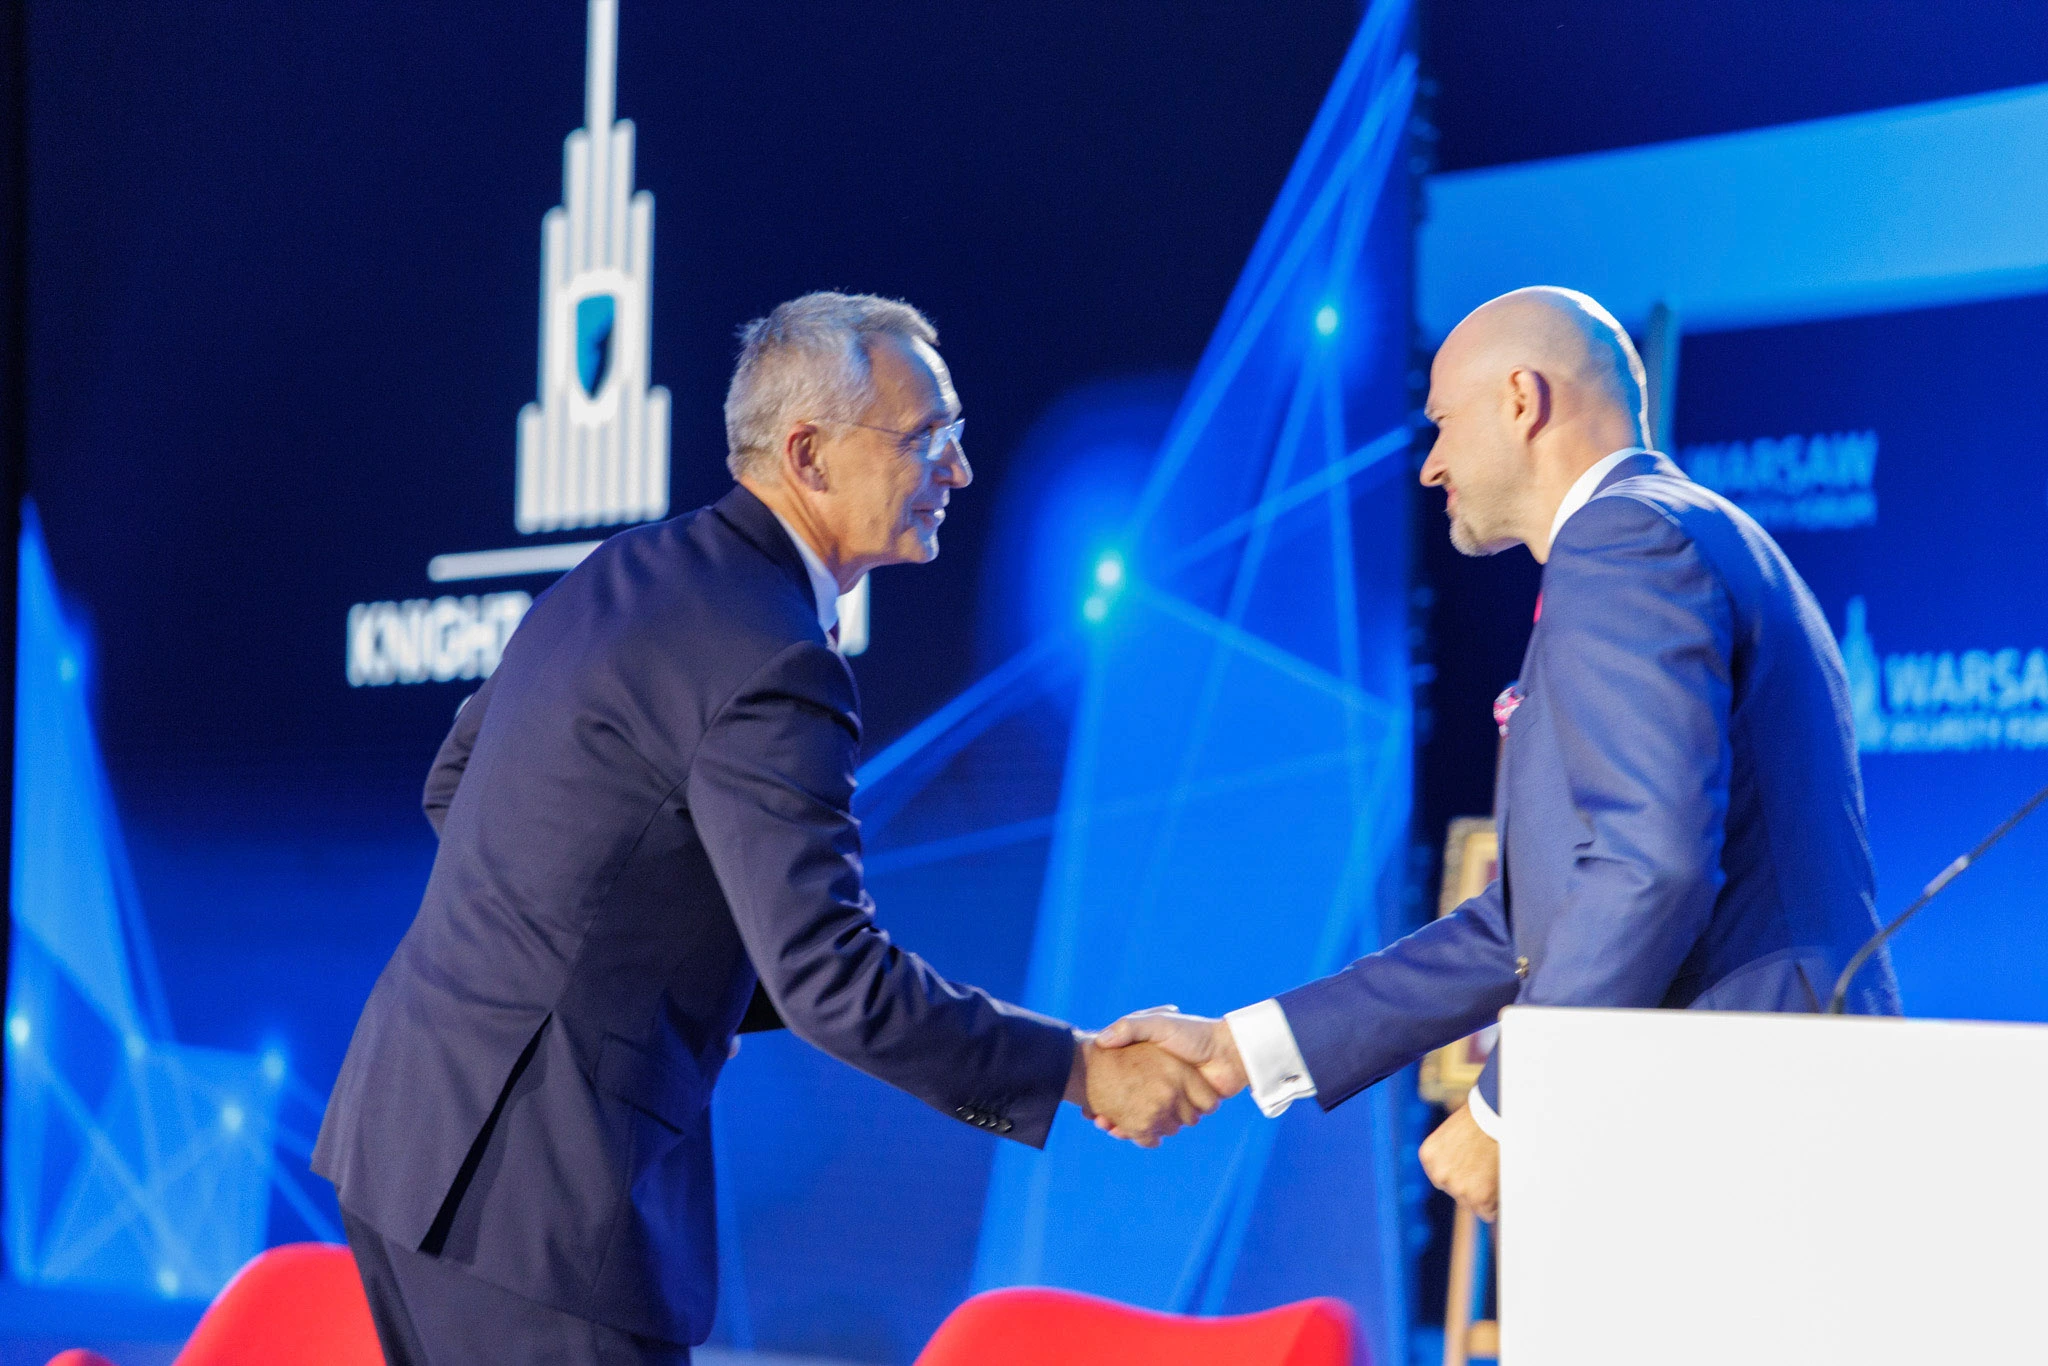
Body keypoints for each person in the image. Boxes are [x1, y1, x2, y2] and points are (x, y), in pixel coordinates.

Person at [313, 292, 1218, 1365]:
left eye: (958, 434)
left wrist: (645, 976)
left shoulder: (623, 572)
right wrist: (1077, 1069)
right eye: (925, 437)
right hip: (538, 1206)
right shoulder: (775, 656)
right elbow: (834, 982)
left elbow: (456, 785)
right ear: (808, 453)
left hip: (405, 1140)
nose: (960, 469)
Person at [1097, 285, 1900, 1221]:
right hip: (1762, 1088)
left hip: (1736, 1104)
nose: (1431, 466)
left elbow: (1651, 862)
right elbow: (1526, 928)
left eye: (1441, 424)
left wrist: (1509, 1110)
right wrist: (1243, 1050)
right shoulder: (1687, 530)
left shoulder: (1623, 540)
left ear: (1522, 399)